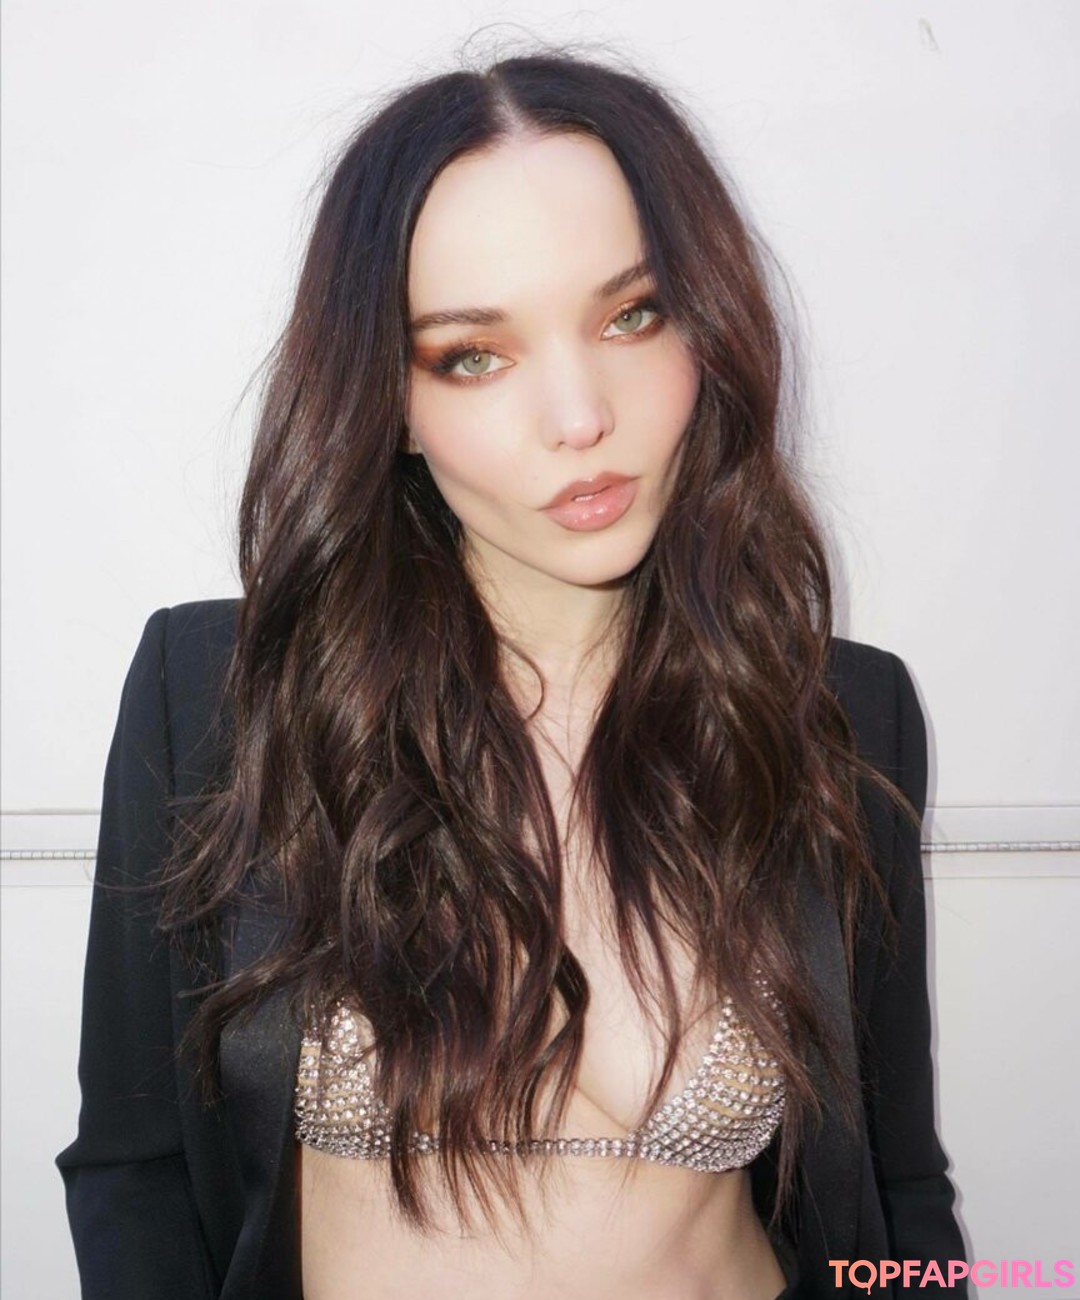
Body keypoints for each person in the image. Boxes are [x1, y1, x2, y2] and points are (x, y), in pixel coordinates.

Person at [57, 49, 966, 1300]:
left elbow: (897, 1190)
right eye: (474, 354)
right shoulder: (219, 696)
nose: (579, 415)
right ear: (389, 397)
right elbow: (137, 1169)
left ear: (708, 328)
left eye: (631, 315)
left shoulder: (839, 717)